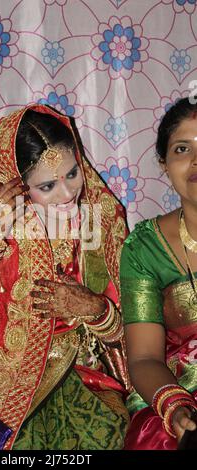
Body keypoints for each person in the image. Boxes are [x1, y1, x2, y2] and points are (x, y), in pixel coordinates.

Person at [0, 104, 130, 450]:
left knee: (106, 435)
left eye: (73, 173)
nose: (67, 194)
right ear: (12, 185)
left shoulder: (101, 218)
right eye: (47, 185)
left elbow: (132, 330)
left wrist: (97, 310)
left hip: (84, 377)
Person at [120, 97, 197, 450]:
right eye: (183, 148)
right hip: (180, 393)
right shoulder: (145, 248)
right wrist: (176, 408)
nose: (196, 160)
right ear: (164, 164)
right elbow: (145, 357)